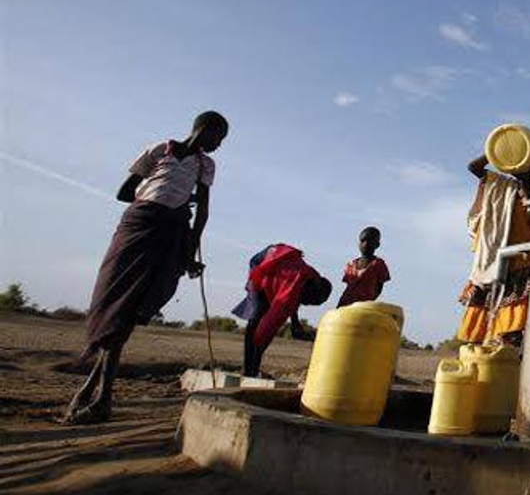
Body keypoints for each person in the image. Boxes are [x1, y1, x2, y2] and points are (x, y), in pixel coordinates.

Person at [62, 111, 229, 424]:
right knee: (114, 306)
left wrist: (189, 252)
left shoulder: (205, 166)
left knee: (131, 311)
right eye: (219, 138)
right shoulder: (158, 151)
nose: (219, 146)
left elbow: (203, 213)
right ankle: (98, 397)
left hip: (171, 238)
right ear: (205, 130)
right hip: (137, 228)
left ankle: (97, 397)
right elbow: (124, 192)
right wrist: (161, 195)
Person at [456, 147, 530, 345]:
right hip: (492, 265)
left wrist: (527, 195)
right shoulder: (499, 184)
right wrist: (496, 151)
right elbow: (473, 166)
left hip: (521, 266)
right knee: (477, 337)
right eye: (525, 162)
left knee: (512, 333)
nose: (527, 167)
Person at [231, 243, 331, 378]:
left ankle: (252, 368)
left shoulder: (312, 277)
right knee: (256, 318)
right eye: (307, 302)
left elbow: (295, 296)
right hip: (264, 262)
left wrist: (295, 323)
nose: (304, 304)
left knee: (262, 319)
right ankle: (250, 370)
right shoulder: (291, 293)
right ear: (310, 291)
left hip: (278, 262)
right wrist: (258, 350)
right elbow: (268, 327)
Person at [337, 226, 391, 307]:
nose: (365, 244)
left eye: (370, 241)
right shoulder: (351, 265)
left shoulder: (379, 264)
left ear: (377, 245)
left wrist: (368, 302)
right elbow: (348, 287)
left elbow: (379, 288)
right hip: (345, 304)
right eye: (362, 241)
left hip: (364, 306)